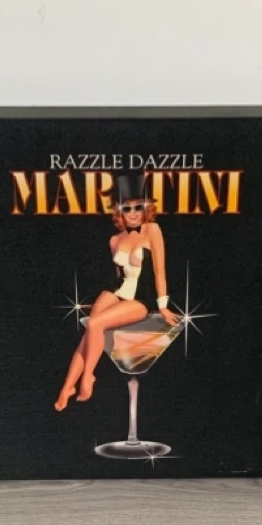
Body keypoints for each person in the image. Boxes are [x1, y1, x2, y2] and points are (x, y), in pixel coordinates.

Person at [55, 171, 181, 409]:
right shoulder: (114, 240)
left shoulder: (152, 230)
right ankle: (67, 387)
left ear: (146, 208)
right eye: (127, 208)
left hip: (140, 298)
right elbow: (120, 276)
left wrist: (163, 306)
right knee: (89, 334)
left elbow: (159, 272)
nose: (133, 213)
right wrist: (109, 302)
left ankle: (88, 376)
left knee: (95, 324)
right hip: (116, 291)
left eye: (138, 207)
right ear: (119, 211)